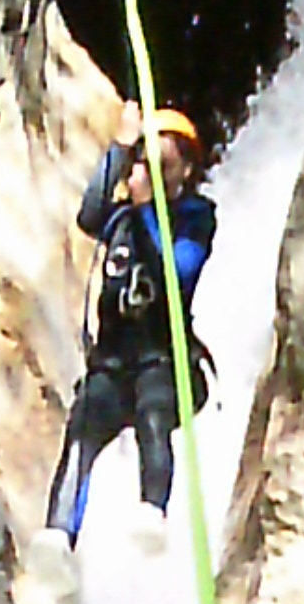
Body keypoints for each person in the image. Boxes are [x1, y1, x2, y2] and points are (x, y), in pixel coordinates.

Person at [48, 112, 219, 539]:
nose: (148, 173)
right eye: (144, 163)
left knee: (153, 414)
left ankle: (152, 509)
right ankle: (58, 534)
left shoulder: (196, 218)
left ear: (186, 169)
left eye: (161, 164)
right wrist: (119, 149)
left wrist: (148, 212)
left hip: (161, 361)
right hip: (111, 363)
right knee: (81, 432)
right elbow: (89, 216)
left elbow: (177, 271)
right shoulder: (119, 217)